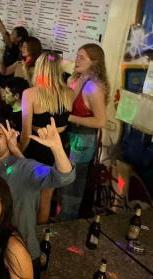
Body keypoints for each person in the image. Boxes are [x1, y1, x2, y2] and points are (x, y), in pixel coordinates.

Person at [0, 117, 75, 278]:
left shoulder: (24, 168)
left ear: (9, 137)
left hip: (23, 256)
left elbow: (64, 177)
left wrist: (57, 148)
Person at [20, 51, 73, 224]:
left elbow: (26, 133)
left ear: (39, 68)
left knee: (28, 194)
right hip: (60, 147)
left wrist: (16, 153)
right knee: (46, 198)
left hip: (38, 147)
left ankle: (24, 232)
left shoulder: (30, 94)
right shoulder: (69, 93)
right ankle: (40, 236)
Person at [61, 43, 109, 220]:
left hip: (82, 139)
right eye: (77, 56)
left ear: (94, 62)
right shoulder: (75, 79)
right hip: (70, 134)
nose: (77, 60)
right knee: (63, 178)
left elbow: (100, 120)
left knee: (72, 184)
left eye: (82, 57)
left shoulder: (93, 87)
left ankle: (67, 220)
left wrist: (70, 118)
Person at [0, 6, 29, 87]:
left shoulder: (14, 47)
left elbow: (3, 32)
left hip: (6, 79)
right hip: (5, 76)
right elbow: (4, 31)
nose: (10, 35)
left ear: (19, 38)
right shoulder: (17, 47)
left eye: (12, 34)